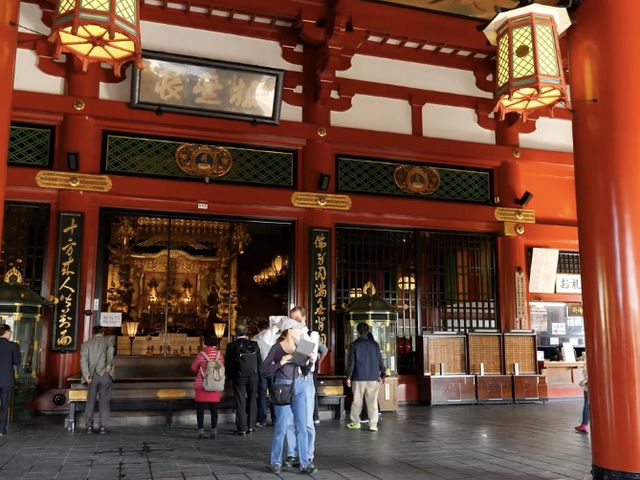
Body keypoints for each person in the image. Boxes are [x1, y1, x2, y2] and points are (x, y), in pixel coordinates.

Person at [261, 318, 317, 475]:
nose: (300, 331)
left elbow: (305, 371)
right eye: (298, 329)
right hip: (282, 387)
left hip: (299, 386)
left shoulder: (302, 347)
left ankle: (305, 463)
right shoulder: (277, 348)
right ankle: (275, 462)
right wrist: (281, 362)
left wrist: (311, 362)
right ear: (290, 331)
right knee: (281, 427)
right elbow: (264, 370)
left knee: (302, 427)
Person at [284, 306, 325, 468]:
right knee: (290, 421)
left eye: (297, 319)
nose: (294, 322)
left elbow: (301, 359)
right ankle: (292, 454)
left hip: (305, 380)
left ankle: (307, 455)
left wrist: (295, 341)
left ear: (304, 319)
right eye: (291, 319)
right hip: (290, 380)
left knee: (306, 422)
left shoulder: (312, 335)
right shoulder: (287, 336)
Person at [346, 322, 386, 432]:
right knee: (372, 401)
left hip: (358, 377)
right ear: (368, 331)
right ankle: (373, 425)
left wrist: (348, 376)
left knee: (357, 400)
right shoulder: (375, 345)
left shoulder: (354, 345)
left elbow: (351, 363)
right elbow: (380, 360)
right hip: (373, 377)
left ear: (357, 332)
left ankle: (355, 422)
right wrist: (383, 374)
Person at [225, 321, 260, 435]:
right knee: (252, 400)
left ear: (236, 333)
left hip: (239, 376)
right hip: (253, 376)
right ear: (247, 332)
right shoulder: (254, 345)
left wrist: (228, 376)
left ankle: (242, 428)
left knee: (240, 401)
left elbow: (228, 363)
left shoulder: (231, 346)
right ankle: (251, 425)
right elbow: (259, 362)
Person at [80, 325, 115, 434]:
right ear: (103, 333)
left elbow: (83, 360)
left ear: (92, 333)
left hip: (91, 376)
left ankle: (89, 427)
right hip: (104, 374)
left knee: (90, 401)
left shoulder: (85, 344)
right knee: (104, 401)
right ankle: (103, 427)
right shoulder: (107, 340)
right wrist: (109, 364)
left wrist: (86, 375)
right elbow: (110, 350)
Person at [190, 330, 224, 439]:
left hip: (202, 385)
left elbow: (193, 368)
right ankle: (213, 431)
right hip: (215, 385)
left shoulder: (201, 354)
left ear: (205, 342)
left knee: (200, 409)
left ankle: (201, 431)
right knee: (214, 409)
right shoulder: (219, 355)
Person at [252, 317, 278, 427]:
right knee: (274, 396)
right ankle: (276, 420)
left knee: (262, 396)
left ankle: (262, 420)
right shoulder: (275, 338)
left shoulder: (255, 339)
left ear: (258, 328)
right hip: (274, 369)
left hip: (262, 370)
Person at [0, 323, 21, 437]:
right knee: (4, 405)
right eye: (10, 332)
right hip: (7, 379)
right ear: (7, 332)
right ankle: (1, 429)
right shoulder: (13, 345)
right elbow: (17, 362)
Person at [575, 359, 589, 433]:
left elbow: (587, 378)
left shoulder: (587, 365)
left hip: (588, 388)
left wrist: (582, 383)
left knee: (587, 406)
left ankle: (584, 424)